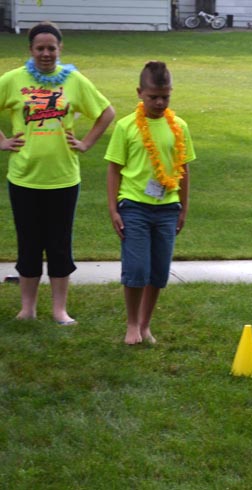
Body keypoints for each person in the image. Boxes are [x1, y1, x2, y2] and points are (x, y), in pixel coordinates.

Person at [0, 21, 115, 325]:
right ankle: (27, 309)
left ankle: (59, 310)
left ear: (60, 49)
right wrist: (2, 141)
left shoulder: (74, 81)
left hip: (64, 179)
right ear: (31, 50)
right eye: (40, 48)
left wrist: (87, 142)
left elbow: (106, 112)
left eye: (52, 48)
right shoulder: (13, 80)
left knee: (59, 244)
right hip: (24, 178)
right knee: (29, 244)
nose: (46, 53)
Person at [105, 61, 195, 345]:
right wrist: (113, 209)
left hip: (168, 208)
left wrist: (183, 208)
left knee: (158, 271)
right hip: (134, 206)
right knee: (137, 269)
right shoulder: (126, 126)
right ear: (139, 92)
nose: (158, 102)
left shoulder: (179, 127)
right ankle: (131, 324)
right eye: (152, 96)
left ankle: (145, 324)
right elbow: (114, 169)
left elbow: (184, 169)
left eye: (165, 97)